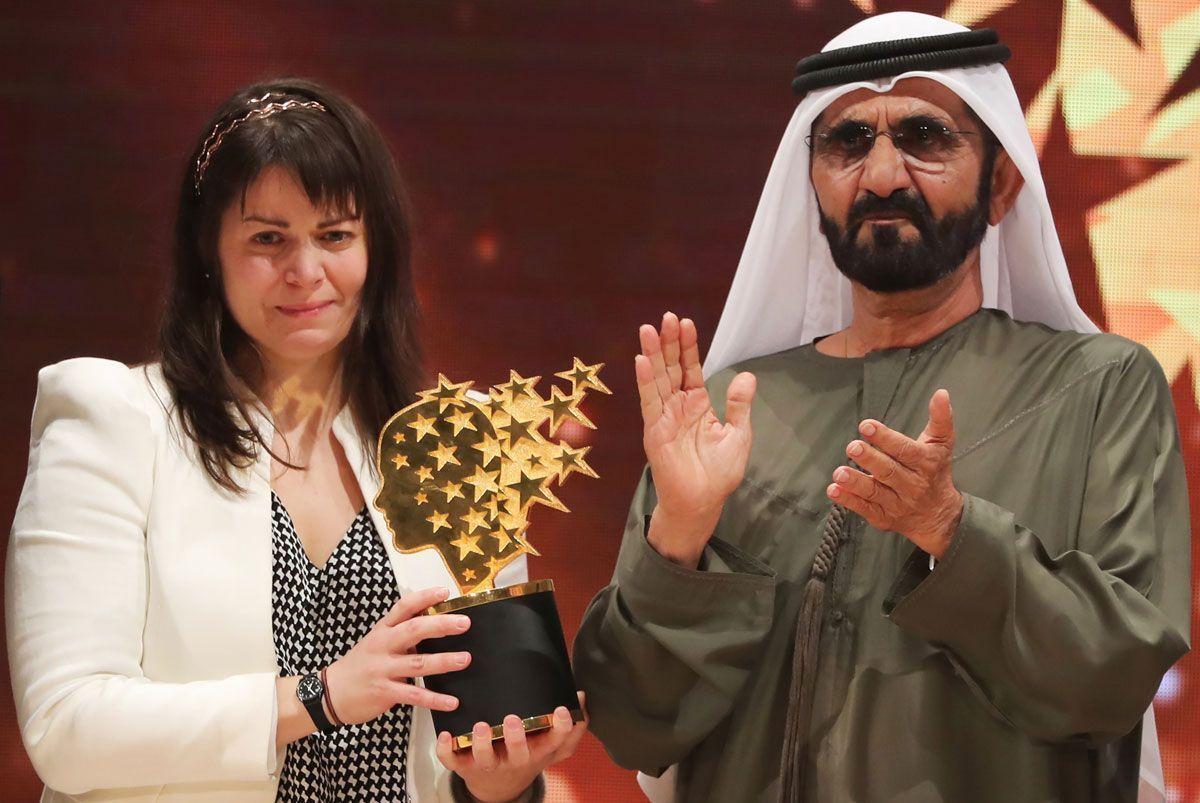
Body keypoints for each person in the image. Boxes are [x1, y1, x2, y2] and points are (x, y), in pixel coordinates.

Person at [573, 13, 1189, 803]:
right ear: (814, 183)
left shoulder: (1099, 386)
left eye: (926, 137)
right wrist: (680, 536)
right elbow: (632, 725)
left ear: (1000, 184)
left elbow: (1110, 680)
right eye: (848, 142)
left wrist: (953, 536)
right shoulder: (734, 409)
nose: (883, 175)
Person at [7, 78, 584, 803]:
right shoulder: (115, 421)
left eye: (335, 235)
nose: (305, 272)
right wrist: (319, 696)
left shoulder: (455, 439)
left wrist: (499, 780)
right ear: (208, 249)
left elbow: (472, 741)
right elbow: (67, 728)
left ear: (376, 248)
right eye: (268, 239)